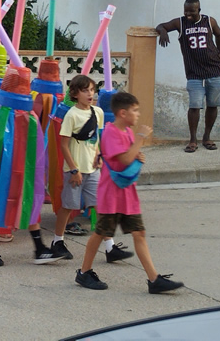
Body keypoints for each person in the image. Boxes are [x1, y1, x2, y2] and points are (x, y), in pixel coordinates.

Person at [75, 92, 185, 293]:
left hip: (126, 194)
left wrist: (137, 154)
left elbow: (129, 156)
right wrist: (140, 140)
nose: (138, 114)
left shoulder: (125, 131)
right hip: (112, 195)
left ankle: (154, 280)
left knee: (139, 233)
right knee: (100, 233)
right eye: (135, 110)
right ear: (122, 113)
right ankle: (84, 272)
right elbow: (124, 159)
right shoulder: (112, 132)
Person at [51, 75, 132, 263]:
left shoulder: (98, 112)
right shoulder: (71, 115)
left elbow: (95, 138)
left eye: (92, 90)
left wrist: (98, 155)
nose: (90, 94)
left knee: (99, 206)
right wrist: (73, 169)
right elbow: (64, 145)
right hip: (75, 170)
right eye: (85, 90)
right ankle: (57, 241)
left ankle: (110, 246)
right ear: (75, 93)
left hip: (92, 169)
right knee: (68, 206)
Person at [156, 0, 220, 153]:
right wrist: (162, 32)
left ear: (199, 10)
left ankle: (207, 137)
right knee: (194, 106)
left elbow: (219, 36)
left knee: (212, 105)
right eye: (185, 11)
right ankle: (192, 140)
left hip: (214, 70)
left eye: (191, 11)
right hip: (194, 73)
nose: (188, 14)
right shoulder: (180, 23)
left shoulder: (209, 21)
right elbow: (161, 26)